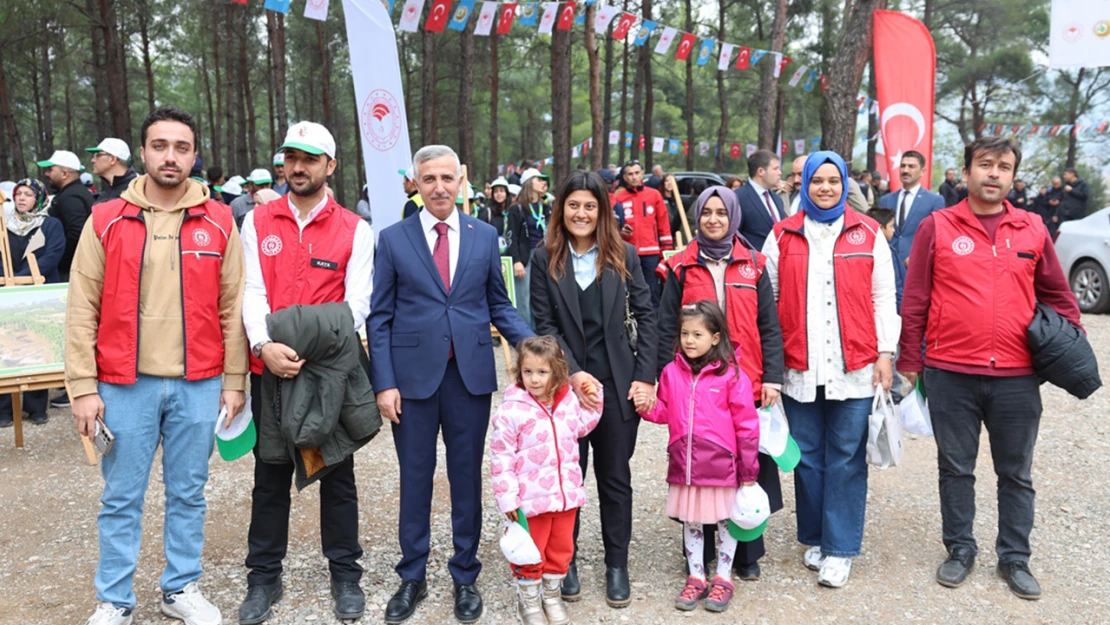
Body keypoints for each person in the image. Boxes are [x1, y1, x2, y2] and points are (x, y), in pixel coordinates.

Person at [66, 105, 247, 625]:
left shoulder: (218, 219)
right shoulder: (105, 219)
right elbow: (82, 306)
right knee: (122, 496)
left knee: (188, 493)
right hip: (125, 385)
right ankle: (115, 599)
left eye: (182, 147)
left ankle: (180, 588)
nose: (171, 156)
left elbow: (233, 305)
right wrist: (82, 386)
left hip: (199, 382)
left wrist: (234, 381)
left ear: (194, 155)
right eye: (160, 146)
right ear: (142, 152)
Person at [896, 136, 1081, 601]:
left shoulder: (1032, 228)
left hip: (1017, 377)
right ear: (968, 171)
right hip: (950, 372)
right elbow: (915, 298)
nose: (994, 173)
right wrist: (910, 361)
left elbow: (1059, 296)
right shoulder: (937, 226)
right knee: (955, 469)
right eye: (985, 164)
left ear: (1013, 176)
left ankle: (1015, 558)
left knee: (1015, 473)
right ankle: (960, 550)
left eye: (1003, 166)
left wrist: (1064, 343)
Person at [370, 145, 533, 625]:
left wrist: (535, 344)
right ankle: (412, 576)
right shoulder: (394, 239)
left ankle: (465, 576)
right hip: (411, 381)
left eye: (447, 177)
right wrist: (384, 383)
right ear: (415, 184)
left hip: (469, 377)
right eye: (429, 179)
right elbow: (379, 317)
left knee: (467, 479)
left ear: (460, 181)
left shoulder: (484, 235)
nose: (439, 187)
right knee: (415, 478)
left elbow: (498, 305)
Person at [235, 121, 374, 624]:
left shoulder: (355, 229)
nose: (298, 167)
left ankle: (345, 575)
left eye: (310, 159)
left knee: (334, 471)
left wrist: (304, 346)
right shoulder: (257, 220)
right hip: (269, 368)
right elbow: (250, 292)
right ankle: (263, 579)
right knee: (269, 473)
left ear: (330, 166)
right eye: (291, 157)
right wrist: (264, 344)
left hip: (326, 376)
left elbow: (356, 306)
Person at [762, 150, 899, 588]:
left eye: (833, 181)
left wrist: (885, 353)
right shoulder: (782, 234)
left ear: (845, 186)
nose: (825, 188)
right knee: (808, 459)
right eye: (816, 181)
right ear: (804, 186)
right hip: (800, 366)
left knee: (845, 457)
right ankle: (817, 538)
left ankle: (841, 549)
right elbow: (769, 301)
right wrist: (771, 364)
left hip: (855, 365)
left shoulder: (868, 232)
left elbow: (883, 297)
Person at [529, 170, 658, 608]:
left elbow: (648, 316)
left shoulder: (624, 254)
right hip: (565, 389)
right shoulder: (544, 257)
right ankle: (566, 561)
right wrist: (575, 373)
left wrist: (645, 376)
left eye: (590, 205)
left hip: (617, 388)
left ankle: (616, 565)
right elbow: (544, 326)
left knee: (615, 478)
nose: (581, 213)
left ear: (602, 210)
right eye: (573, 205)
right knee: (568, 479)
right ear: (560, 209)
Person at [656, 186, 785, 581]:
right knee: (698, 462)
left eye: (721, 213)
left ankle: (746, 554)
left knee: (747, 464)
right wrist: (666, 379)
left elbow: (770, 326)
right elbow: (665, 328)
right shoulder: (680, 265)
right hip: (694, 382)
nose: (714, 219)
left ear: (734, 217)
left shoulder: (755, 264)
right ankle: (699, 555)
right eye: (706, 213)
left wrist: (774, 377)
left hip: (746, 379)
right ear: (697, 218)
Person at [641, 300, 759, 614]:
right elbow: (665, 410)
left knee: (725, 523)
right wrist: (646, 406)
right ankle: (696, 576)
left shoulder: (733, 376)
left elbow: (747, 426)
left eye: (697, 334)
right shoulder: (670, 372)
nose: (689, 341)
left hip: (721, 467)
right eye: (684, 334)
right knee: (691, 522)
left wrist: (749, 471)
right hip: (686, 466)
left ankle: (723, 577)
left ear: (716, 338)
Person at [489, 336, 603, 625]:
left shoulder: (567, 404)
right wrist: (507, 498)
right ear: (519, 372)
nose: (535, 380)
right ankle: (528, 602)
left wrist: (595, 398)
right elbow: (500, 457)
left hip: (564, 497)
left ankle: (551, 596)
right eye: (528, 372)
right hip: (530, 501)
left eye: (542, 372)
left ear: (557, 372)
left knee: (561, 549)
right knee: (530, 551)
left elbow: (582, 426)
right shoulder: (511, 411)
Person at [0, 179, 65, 428]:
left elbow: (52, 255)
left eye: (28, 194)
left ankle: (36, 407)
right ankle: (5, 409)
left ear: (39, 198)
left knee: (35, 346)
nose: (22, 198)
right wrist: (8, 281)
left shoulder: (50, 225)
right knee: (7, 347)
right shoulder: (5, 225)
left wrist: (22, 279)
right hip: (7, 293)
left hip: (38, 293)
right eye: (18, 194)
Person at [613, 159, 673, 309]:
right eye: (630, 174)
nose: (634, 177)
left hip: (651, 254)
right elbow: (611, 228)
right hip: (627, 252)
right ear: (625, 177)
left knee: (652, 292)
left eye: (637, 173)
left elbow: (664, 226)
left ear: (642, 174)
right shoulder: (618, 198)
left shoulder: (654, 195)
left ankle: (654, 329)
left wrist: (666, 254)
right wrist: (619, 233)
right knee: (629, 292)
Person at [877, 151, 946, 266]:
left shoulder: (934, 201)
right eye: (903, 166)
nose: (905, 170)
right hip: (887, 264)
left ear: (922, 171)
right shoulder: (886, 200)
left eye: (911, 166)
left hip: (917, 266)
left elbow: (938, 236)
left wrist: (920, 257)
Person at [37, 149, 93, 279]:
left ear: (64, 173)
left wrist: (58, 260)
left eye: (50, 169)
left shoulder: (70, 196)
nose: (46, 173)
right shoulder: (73, 192)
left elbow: (76, 233)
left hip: (70, 271)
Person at [509, 175, 550, 329]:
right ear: (528, 182)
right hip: (525, 257)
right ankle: (524, 335)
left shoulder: (545, 207)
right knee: (523, 298)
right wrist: (516, 260)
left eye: (544, 180)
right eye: (538, 179)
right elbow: (511, 236)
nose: (543, 183)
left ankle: (539, 332)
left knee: (540, 296)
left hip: (543, 255)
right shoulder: (517, 208)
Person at [736, 150, 784, 251]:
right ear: (761, 171)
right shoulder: (738, 198)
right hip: (752, 263)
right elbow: (734, 237)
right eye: (775, 169)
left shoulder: (777, 199)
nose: (780, 172)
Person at [866, 207, 905, 311]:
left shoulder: (890, 249)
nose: (893, 230)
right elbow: (897, 284)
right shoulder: (887, 252)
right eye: (891, 226)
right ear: (880, 228)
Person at [86, 138, 138, 205]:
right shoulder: (107, 194)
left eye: (98, 155)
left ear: (113, 159)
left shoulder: (136, 191)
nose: (92, 160)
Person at [660, 173, 686, 244]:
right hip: (665, 234)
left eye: (672, 181)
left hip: (677, 236)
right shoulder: (660, 199)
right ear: (663, 183)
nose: (669, 183)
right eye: (667, 181)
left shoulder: (680, 200)